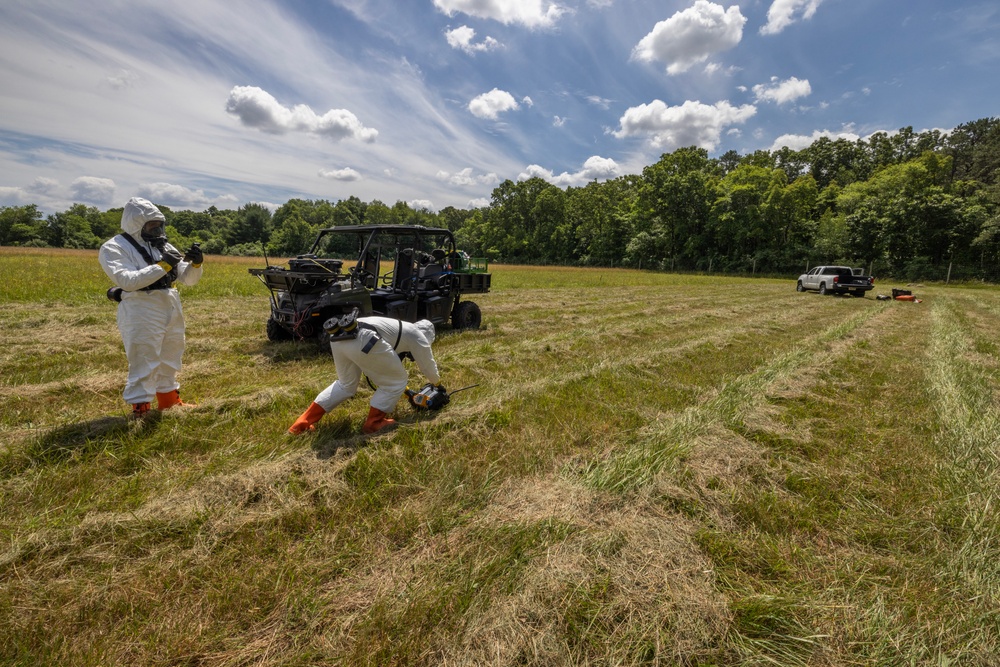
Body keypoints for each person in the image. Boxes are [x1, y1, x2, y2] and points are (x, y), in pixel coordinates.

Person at [98, 197, 204, 418]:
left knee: (171, 353)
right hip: (141, 305)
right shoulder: (114, 247)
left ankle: (169, 402)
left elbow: (188, 279)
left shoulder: (163, 245)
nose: (157, 230)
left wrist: (195, 264)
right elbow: (127, 280)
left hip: (169, 301)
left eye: (159, 225)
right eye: (151, 225)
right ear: (136, 224)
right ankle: (141, 410)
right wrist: (164, 264)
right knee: (144, 357)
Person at [289, 310, 442, 435]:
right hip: (366, 338)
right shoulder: (419, 336)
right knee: (396, 382)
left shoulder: (399, 327)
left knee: (345, 385)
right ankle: (374, 423)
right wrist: (438, 384)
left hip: (338, 336)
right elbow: (428, 365)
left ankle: (302, 423)